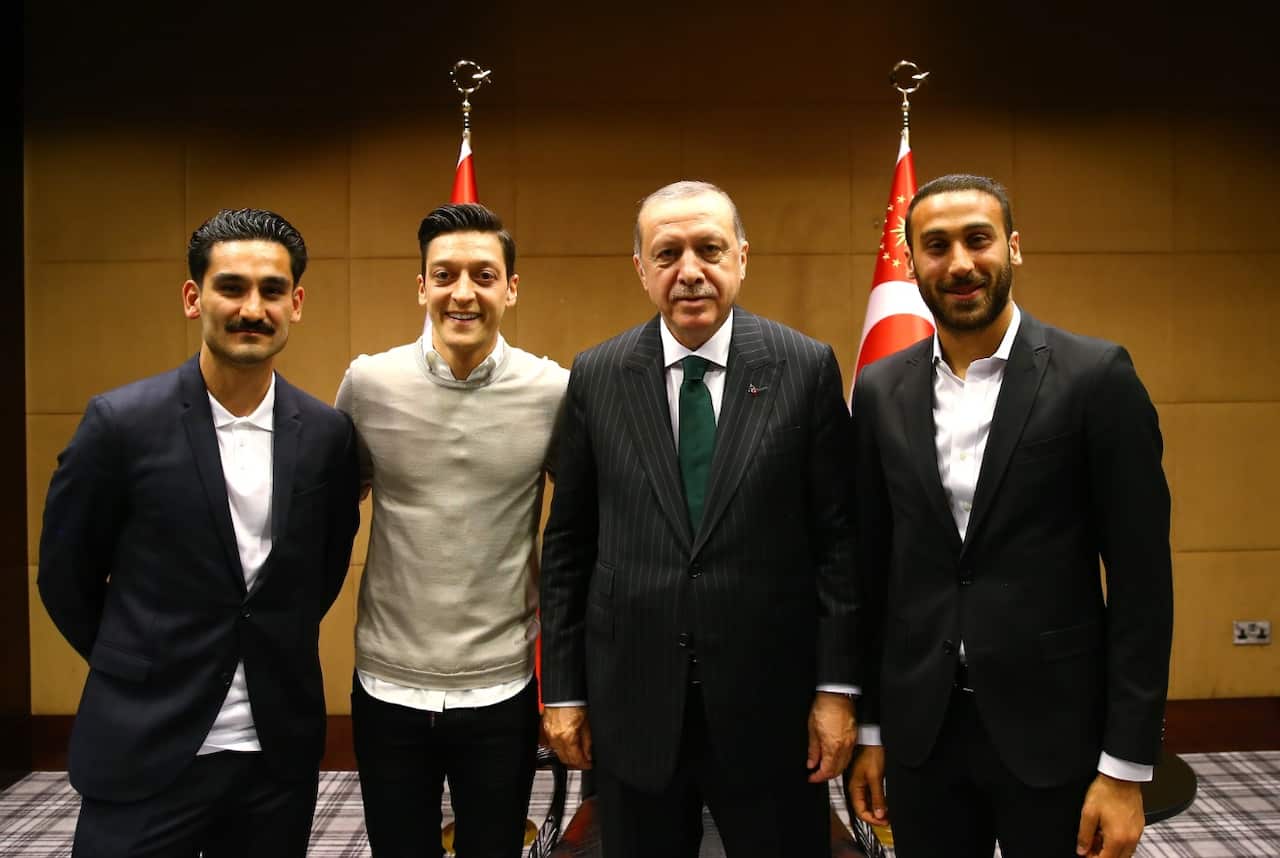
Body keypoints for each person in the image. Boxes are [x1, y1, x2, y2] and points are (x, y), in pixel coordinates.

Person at [847, 174, 1173, 858]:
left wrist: (1125, 768)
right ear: (911, 263)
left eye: (978, 239)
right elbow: (872, 573)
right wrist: (872, 732)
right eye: (936, 246)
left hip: (1055, 729)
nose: (960, 263)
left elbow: (1143, 587)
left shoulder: (1096, 377)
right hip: (922, 732)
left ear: (1013, 248)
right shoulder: (880, 390)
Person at [539, 180, 859, 858]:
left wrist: (836, 690)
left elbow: (838, 543)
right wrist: (563, 690)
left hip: (772, 712)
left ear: (741, 256)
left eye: (709, 249)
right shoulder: (596, 376)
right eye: (668, 253)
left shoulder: (804, 367)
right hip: (633, 709)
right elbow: (568, 547)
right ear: (641, 269)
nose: (690, 271)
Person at [37, 208, 361, 857]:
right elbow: (64, 577)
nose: (252, 307)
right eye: (231, 287)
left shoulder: (327, 435)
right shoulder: (120, 424)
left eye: (271, 290)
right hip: (145, 748)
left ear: (295, 302)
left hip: (275, 758)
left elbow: (319, 573)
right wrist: (138, 661)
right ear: (194, 297)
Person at [336, 203, 569, 858]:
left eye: (483, 275)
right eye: (444, 275)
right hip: (386, 685)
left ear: (510, 287)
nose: (462, 292)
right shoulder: (368, 384)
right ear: (421, 286)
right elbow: (327, 514)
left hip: (501, 688)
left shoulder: (553, 392)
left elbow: (582, 532)